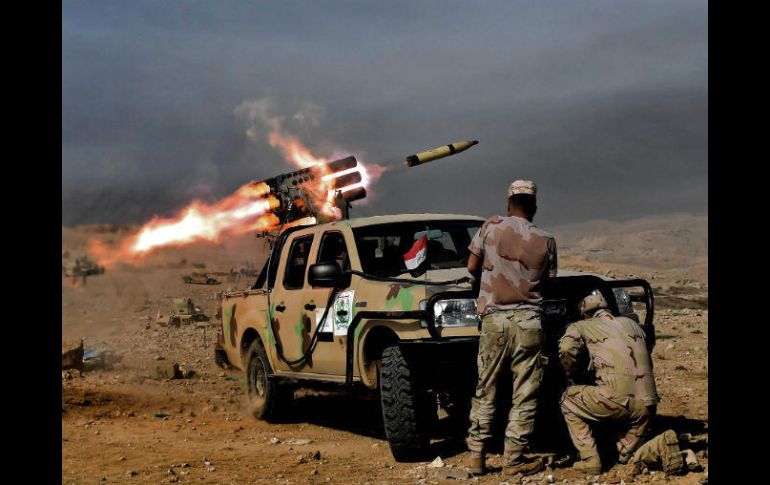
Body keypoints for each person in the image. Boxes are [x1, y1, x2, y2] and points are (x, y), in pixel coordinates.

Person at [465, 180, 558, 476]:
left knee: (486, 388)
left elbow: (471, 266)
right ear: (534, 208)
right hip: (529, 322)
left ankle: (476, 457)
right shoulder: (546, 239)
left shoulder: (490, 227)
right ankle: (514, 459)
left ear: (508, 204)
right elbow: (548, 280)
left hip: (494, 320)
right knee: (525, 392)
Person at [558, 290, 661, 475]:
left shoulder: (582, 325)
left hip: (617, 403)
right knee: (623, 455)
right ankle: (648, 448)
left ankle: (590, 460)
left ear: (586, 313)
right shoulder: (632, 324)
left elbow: (566, 349)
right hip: (647, 408)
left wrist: (569, 372)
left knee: (567, 400)